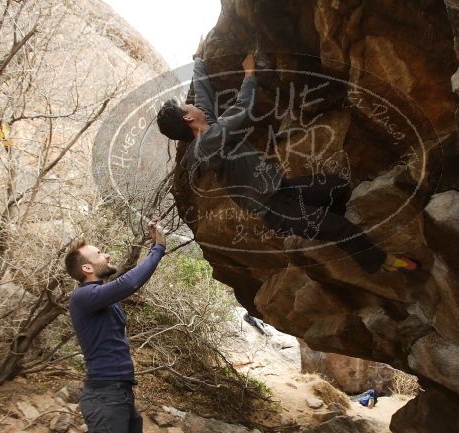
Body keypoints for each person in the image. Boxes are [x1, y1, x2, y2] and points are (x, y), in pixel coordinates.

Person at [156, 37, 417, 274]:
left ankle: (321, 226)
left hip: (284, 189)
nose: (190, 103)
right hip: (276, 209)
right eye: (185, 106)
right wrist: (249, 74)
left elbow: (203, 97)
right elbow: (242, 109)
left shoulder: (208, 130)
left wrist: (198, 60)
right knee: (341, 229)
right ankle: (383, 262)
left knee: (337, 187)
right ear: (188, 117)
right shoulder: (207, 144)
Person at [65, 219, 166, 433]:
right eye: (99, 253)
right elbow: (129, 283)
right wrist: (158, 247)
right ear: (87, 269)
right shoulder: (83, 297)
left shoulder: (99, 296)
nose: (106, 255)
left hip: (121, 396)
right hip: (105, 398)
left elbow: (122, 285)